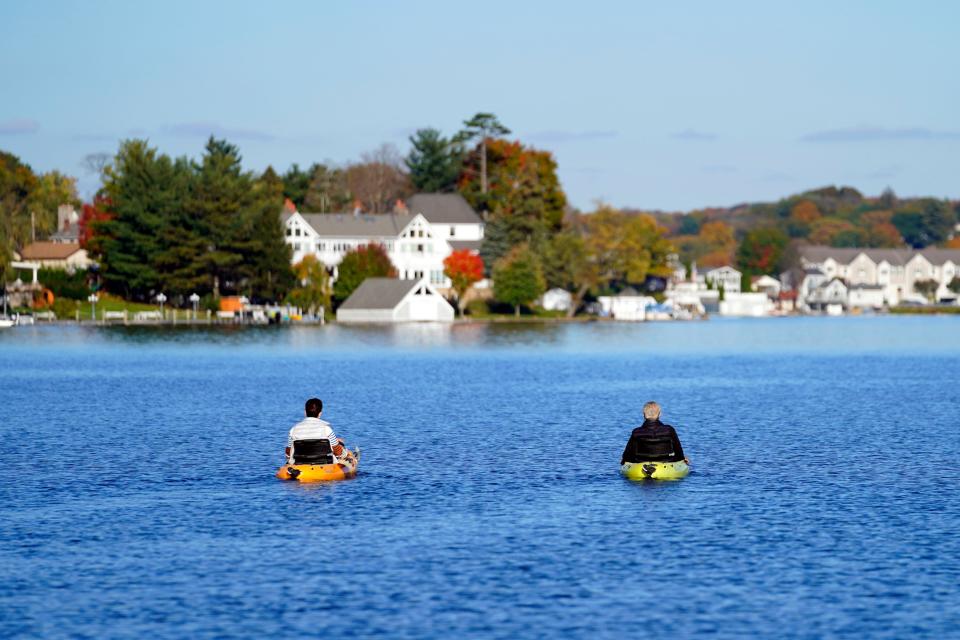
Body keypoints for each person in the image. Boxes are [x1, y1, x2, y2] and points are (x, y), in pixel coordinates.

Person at [620, 401, 689, 466]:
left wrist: (624, 461)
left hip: (641, 463)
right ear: (660, 414)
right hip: (666, 463)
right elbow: (678, 450)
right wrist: (682, 459)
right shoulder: (669, 430)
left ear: (644, 414)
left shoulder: (636, 432)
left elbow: (627, 454)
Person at [285, 397, 345, 465]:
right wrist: (341, 445)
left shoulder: (293, 430)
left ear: (305, 412)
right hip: (324, 466)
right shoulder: (327, 429)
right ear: (320, 413)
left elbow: (288, 454)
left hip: (300, 465)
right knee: (340, 444)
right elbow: (338, 453)